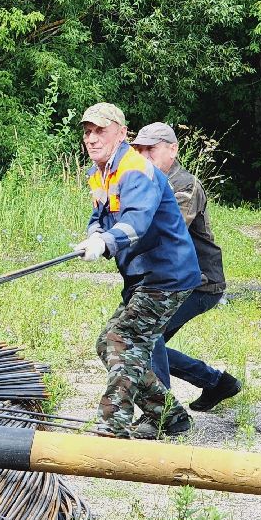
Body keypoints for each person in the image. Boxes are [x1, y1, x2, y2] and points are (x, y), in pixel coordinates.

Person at [72, 103, 203, 439]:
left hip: (167, 274)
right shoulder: (98, 173)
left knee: (124, 339)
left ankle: (113, 426)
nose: (92, 138)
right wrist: (94, 235)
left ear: (121, 133)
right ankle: (169, 416)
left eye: (100, 130)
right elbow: (99, 217)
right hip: (143, 277)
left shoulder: (136, 169)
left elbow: (137, 222)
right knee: (107, 343)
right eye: (88, 132)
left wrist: (106, 243)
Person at [129, 123, 242, 411]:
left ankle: (163, 411)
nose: (143, 155)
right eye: (139, 150)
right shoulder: (145, 183)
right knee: (149, 344)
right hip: (169, 282)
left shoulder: (184, 185)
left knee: (148, 333)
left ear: (172, 149)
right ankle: (217, 382)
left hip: (200, 283)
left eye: (150, 149)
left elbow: (167, 234)